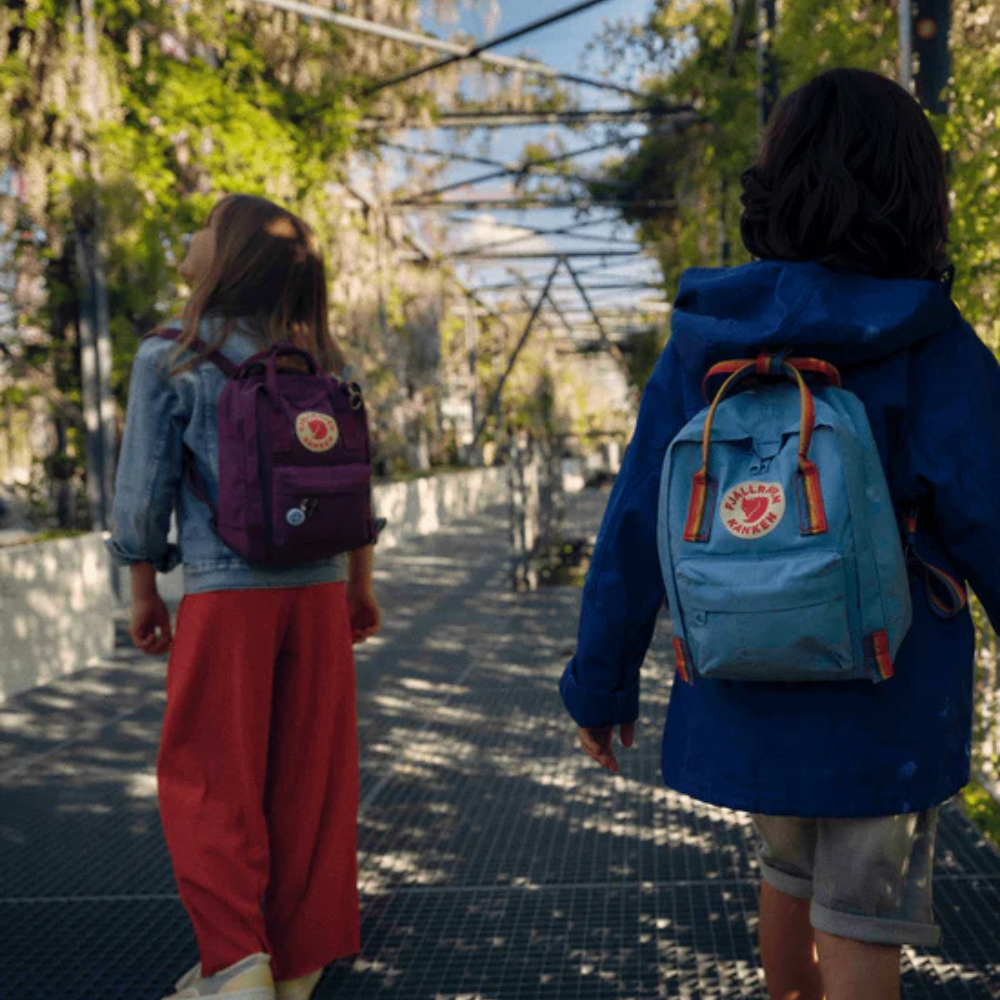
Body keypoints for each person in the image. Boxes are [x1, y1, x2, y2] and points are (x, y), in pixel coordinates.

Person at [560, 68, 1000, 1000]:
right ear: (915, 193)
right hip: (890, 688)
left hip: (745, 672)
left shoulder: (705, 341)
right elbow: (989, 508)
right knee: (861, 903)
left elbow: (638, 514)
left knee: (786, 869)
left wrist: (599, 681)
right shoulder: (932, 343)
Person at [107, 194, 381, 1000]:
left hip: (226, 599)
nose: (187, 239)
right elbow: (355, 491)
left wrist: (143, 591)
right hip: (320, 595)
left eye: (201, 227)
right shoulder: (324, 362)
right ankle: (296, 966)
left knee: (208, 781)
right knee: (312, 784)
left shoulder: (172, 355)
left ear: (225, 257)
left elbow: (139, 500)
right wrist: (360, 591)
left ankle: (235, 965)